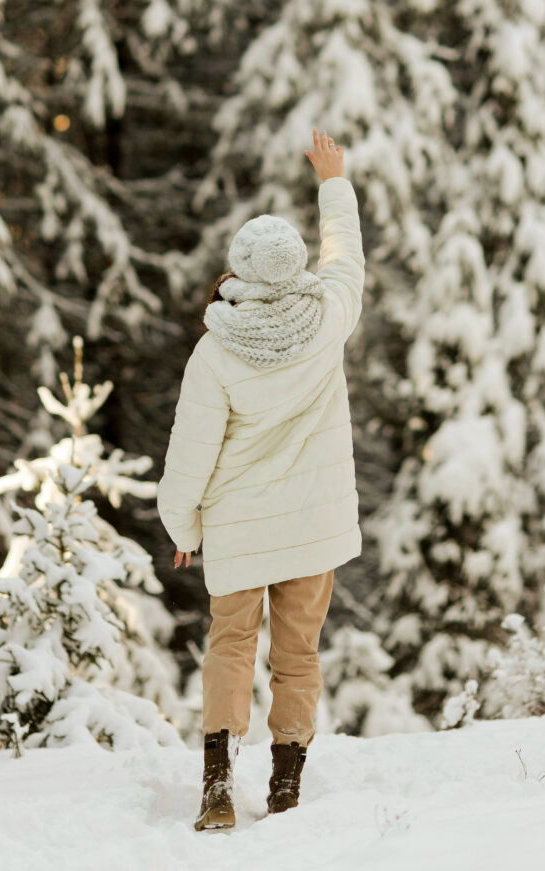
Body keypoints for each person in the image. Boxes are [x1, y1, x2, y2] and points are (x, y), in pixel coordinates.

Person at [156, 128, 365, 831]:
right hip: (313, 525)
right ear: (295, 265)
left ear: (240, 268)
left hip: (240, 527)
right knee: (297, 654)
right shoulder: (329, 318)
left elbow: (190, 451)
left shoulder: (215, 351)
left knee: (230, 645)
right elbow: (348, 260)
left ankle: (217, 786)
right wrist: (333, 179)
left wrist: (182, 525)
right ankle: (285, 788)